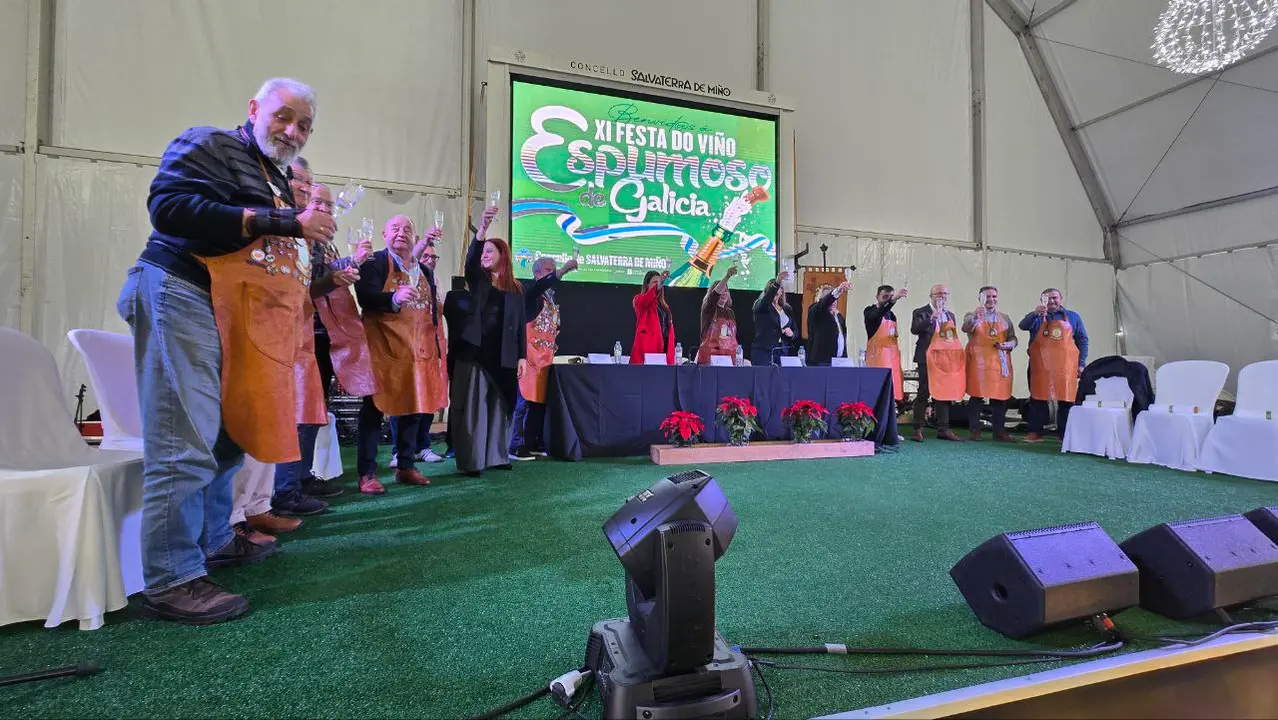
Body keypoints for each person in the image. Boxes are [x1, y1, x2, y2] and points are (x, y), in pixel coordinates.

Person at [115, 77, 334, 624]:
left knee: (226, 436)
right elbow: (169, 209)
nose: (293, 130)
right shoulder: (210, 143)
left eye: (304, 125)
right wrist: (287, 221)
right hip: (183, 290)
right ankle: (171, 578)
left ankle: (214, 539)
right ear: (254, 108)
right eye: (284, 116)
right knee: (183, 439)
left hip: (231, 310)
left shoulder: (276, 177)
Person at [269, 182, 362, 517]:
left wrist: (349, 264)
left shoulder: (320, 241)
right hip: (295, 335)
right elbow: (310, 286)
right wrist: (338, 277)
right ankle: (286, 489)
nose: (322, 208)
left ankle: (299, 479)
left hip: (318, 336)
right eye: (315, 201)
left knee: (311, 411)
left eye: (325, 203)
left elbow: (320, 279)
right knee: (298, 413)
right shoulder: (291, 236)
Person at [352, 215, 444, 492]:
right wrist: (392, 299)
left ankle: (406, 466)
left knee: (412, 408)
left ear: (415, 238)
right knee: (373, 409)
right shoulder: (374, 261)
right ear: (384, 234)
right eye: (395, 228)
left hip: (417, 352)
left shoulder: (424, 271)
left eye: (407, 229)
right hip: (382, 350)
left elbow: (432, 314)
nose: (401, 233)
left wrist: (436, 350)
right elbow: (364, 297)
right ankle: (366, 473)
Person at [452, 206, 527, 475]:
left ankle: (496, 456)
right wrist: (482, 229)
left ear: (502, 257)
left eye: (490, 252)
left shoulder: (516, 289)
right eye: (484, 252)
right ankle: (473, 460)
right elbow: (470, 260)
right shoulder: (479, 280)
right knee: (476, 408)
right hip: (478, 354)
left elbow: (520, 327)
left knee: (500, 406)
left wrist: (522, 357)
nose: (484, 255)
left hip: (505, 356)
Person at [510, 253, 579, 460]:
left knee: (538, 403)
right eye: (549, 270)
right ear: (537, 272)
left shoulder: (551, 299)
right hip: (529, 357)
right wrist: (564, 270)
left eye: (554, 269)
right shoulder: (529, 291)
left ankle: (533, 442)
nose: (553, 275)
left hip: (545, 359)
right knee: (522, 402)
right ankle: (515, 445)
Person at [390, 241, 448, 466]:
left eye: (434, 257)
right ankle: (399, 451)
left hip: (431, 348)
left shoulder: (436, 282)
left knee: (429, 398)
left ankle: (423, 446)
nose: (431, 261)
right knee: (402, 401)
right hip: (406, 347)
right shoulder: (402, 278)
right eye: (426, 257)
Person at [1019, 288, 1088, 442]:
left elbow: (1082, 340)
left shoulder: (1073, 317)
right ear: (1042, 300)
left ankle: (1064, 434)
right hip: (1040, 365)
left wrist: (1081, 363)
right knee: (1037, 398)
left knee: (1066, 399)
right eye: (1047, 298)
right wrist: (1035, 313)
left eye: (1054, 298)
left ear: (1061, 298)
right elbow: (1022, 326)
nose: (1051, 301)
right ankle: (1035, 432)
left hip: (1066, 365)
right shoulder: (1037, 317)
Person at [910, 284, 965, 442]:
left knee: (944, 393)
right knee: (923, 392)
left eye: (944, 294)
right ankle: (918, 428)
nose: (941, 296)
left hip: (945, 359)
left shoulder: (950, 315)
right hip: (926, 357)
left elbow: (951, 338)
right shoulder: (921, 312)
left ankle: (943, 428)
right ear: (931, 296)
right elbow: (915, 329)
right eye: (938, 293)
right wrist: (931, 318)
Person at [962, 286, 1017, 441]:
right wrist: (976, 317)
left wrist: (1010, 344)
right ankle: (974, 430)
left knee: (1000, 397)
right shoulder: (971, 314)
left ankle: (999, 431)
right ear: (980, 298)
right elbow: (965, 327)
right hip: (978, 361)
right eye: (987, 296)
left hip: (999, 361)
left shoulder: (1004, 317)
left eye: (994, 296)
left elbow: (1013, 337)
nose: (991, 299)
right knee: (976, 395)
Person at [864, 284, 909, 403]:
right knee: (878, 389)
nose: (888, 299)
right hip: (877, 357)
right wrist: (893, 301)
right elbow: (877, 315)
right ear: (877, 296)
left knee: (893, 388)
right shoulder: (870, 311)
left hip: (892, 357)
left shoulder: (892, 315)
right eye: (885, 297)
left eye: (891, 297)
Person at [696, 264, 741, 365]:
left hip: (729, 358)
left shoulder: (730, 312)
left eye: (726, 291)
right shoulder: (709, 308)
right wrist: (727, 277)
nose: (724, 293)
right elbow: (714, 296)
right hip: (711, 357)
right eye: (721, 291)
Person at [749, 270, 794, 366]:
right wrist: (777, 282)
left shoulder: (786, 309)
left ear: (782, 291)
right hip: (764, 351)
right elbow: (767, 299)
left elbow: (794, 329)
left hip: (782, 351)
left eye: (779, 288)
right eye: (773, 289)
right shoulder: (761, 305)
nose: (776, 291)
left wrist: (791, 334)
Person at [631, 269, 675, 364]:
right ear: (647, 285)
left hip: (664, 354)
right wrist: (659, 283)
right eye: (655, 282)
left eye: (659, 283)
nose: (658, 285)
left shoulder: (664, 307)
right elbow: (646, 299)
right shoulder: (639, 301)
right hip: (647, 356)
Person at [806, 280, 851, 366]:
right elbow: (824, 303)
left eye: (836, 299)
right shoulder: (815, 311)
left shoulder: (838, 316)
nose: (834, 301)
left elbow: (842, 338)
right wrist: (838, 290)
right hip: (822, 362)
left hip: (839, 362)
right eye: (831, 299)